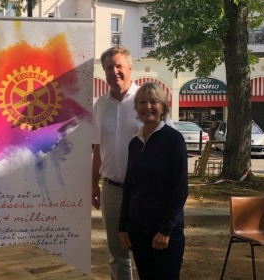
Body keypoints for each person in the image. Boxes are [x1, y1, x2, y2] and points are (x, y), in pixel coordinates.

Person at [92, 46, 175, 280]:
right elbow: (98, 147)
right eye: (109, 67)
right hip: (112, 190)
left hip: (145, 192)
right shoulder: (99, 105)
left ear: (130, 68)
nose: (114, 71)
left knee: (146, 253)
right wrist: (92, 184)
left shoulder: (147, 101)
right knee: (117, 254)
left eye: (119, 66)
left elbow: (168, 141)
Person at [119, 82, 188, 279]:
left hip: (166, 232)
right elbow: (129, 187)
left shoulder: (173, 140)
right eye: (142, 102)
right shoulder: (134, 143)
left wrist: (165, 230)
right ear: (136, 108)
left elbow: (181, 189)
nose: (147, 106)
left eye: (153, 101)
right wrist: (122, 227)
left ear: (163, 107)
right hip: (138, 230)